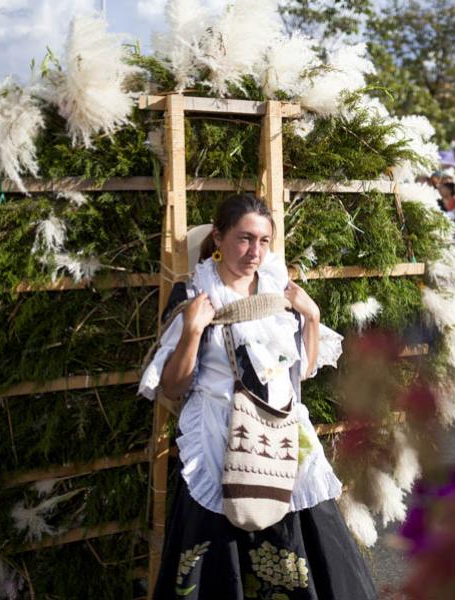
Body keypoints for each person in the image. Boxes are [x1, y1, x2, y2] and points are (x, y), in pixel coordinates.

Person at [139, 194, 377, 599]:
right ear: (218, 237)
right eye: (244, 239)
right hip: (221, 439)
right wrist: (194, 330)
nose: (255, 252)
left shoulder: (276, 286)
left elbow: (301, 369)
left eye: (264, 241)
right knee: (218, 553)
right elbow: (173, 387)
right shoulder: (196, 293)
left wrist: (313, 317)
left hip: (283, 432)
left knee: (303, 546)